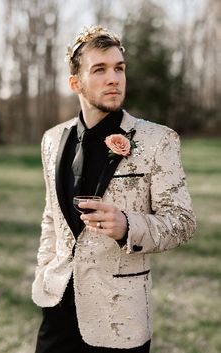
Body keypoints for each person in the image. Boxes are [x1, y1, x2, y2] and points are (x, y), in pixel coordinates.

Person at [32, 25, 196, 353]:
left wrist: (128, 227)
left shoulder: (158, 140)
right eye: (100, 69)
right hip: (57, 310)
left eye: (119, 68)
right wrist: (44, 272)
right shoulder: (51, 140)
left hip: (120, 318)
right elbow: (52, 217)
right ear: (75, 83)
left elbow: (182, 222)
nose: (114, 78)